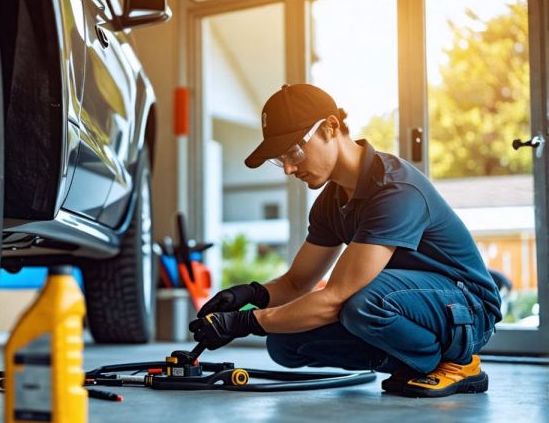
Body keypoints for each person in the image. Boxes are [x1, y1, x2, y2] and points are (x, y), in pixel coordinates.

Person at [189, 84, 502, 398]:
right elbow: (297, 283)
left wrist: (245, 322)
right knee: (285, 342)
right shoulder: (331, 202)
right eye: (280, 158)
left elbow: (337, 296)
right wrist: (250, 294)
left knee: (361, 303)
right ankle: (411, 362)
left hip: (469, 309)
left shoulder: (395, 189)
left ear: (330, 127)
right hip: (403, 304)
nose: (287, 167)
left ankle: (459, 363)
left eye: (294, 151)